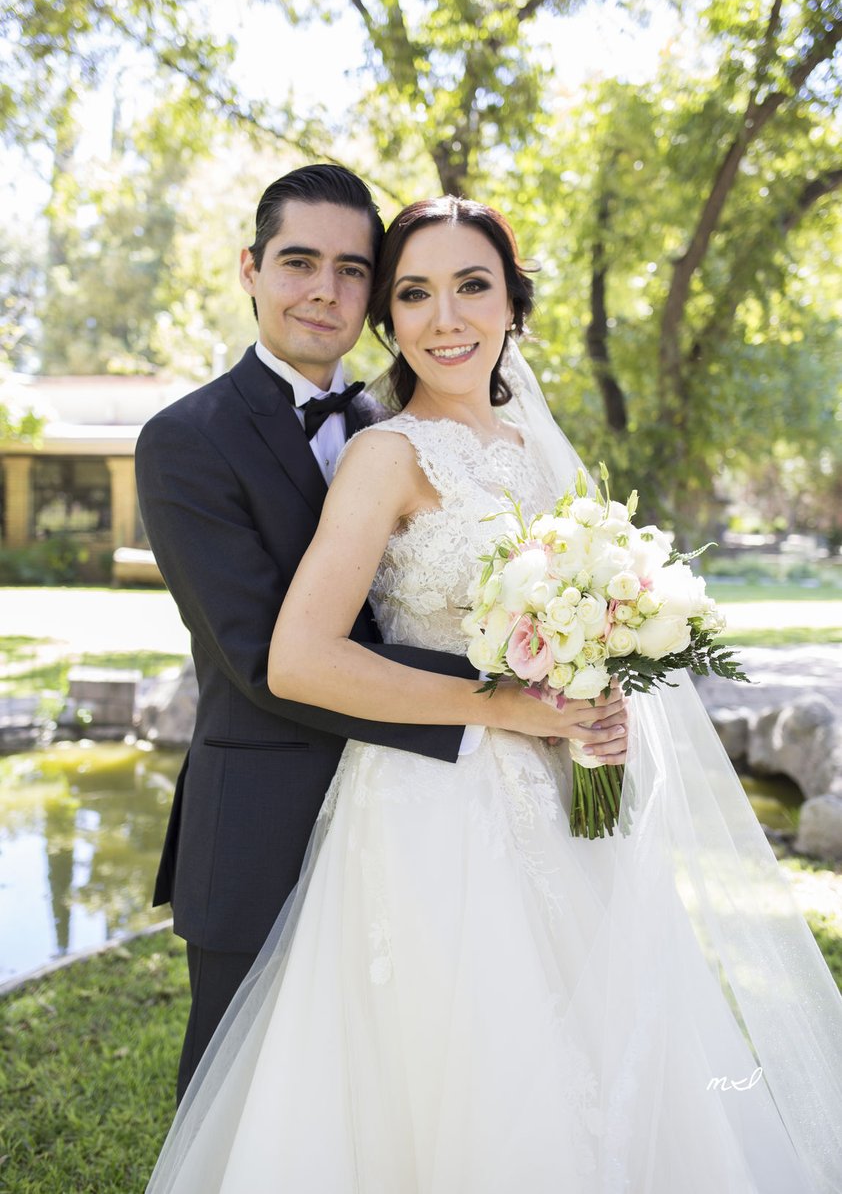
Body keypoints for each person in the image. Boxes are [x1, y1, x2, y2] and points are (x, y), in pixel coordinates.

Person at [147, 197, 842, 1193]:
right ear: (389, 319)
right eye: (415, 293)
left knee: (595, 1067)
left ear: (513, 303)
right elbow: (295, 659)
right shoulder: (386, 455)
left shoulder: (536, 453)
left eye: (472, 286)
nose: (446, 318)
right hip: (432, 818)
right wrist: (502, 705)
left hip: (561, 817)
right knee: (461, 1080)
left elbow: (583, 638)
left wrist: (598, 707)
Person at [135, 165, 627, 1102]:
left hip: (464, 803)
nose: (325, 288)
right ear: (250, 268)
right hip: (269, 815)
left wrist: (581, 695)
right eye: (298, 262)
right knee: (251, 1103)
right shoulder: (183, 439)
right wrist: (516, 706)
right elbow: (261, 664)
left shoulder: (409, 422)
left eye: (352, 268)